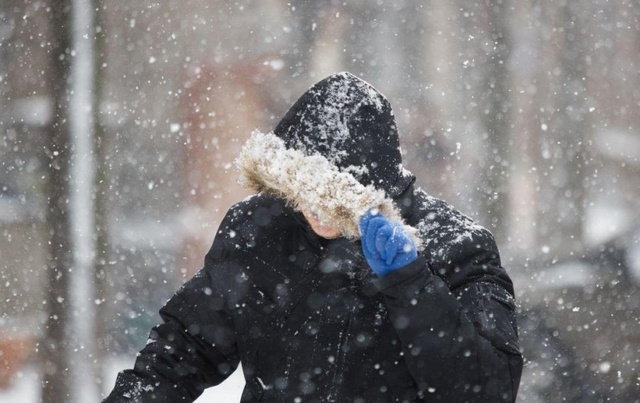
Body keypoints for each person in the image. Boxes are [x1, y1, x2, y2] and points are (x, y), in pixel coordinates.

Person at [104, 72, 523, 402]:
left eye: (337, 199)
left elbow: (486, 391)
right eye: (304, 191)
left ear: (374, 189)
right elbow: (184, 349)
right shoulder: (260, 231)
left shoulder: (457, 246)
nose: (317, 211)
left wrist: (411, 283)